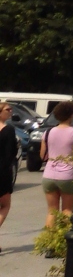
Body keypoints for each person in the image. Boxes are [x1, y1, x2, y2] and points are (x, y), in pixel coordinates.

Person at [41, 100, 73, 238]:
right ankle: (63, 239)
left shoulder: (47, 132)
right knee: (67, 210)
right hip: (67, 174)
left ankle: (49, 241)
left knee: (52, 211)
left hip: (49, 174)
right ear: (71, 115)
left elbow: (42, 155)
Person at [0, 103, 17, 253]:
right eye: (7, 109)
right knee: (5, 205)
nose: (11, 112)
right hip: (3, 172)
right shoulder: (8, 130)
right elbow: (11, 152)